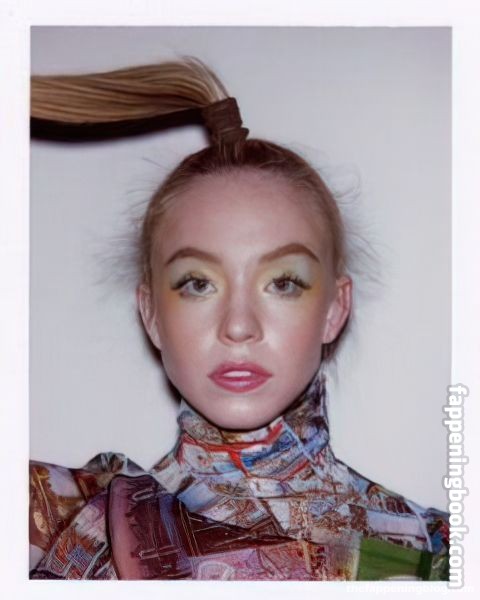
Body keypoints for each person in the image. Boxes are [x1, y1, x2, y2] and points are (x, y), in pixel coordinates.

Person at [29, 57, 449, 581]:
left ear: (335, 309)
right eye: (198, 283)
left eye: (283, 282)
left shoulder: (440, 555)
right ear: (151, 314)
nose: (239, 325)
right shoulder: (56, 519)